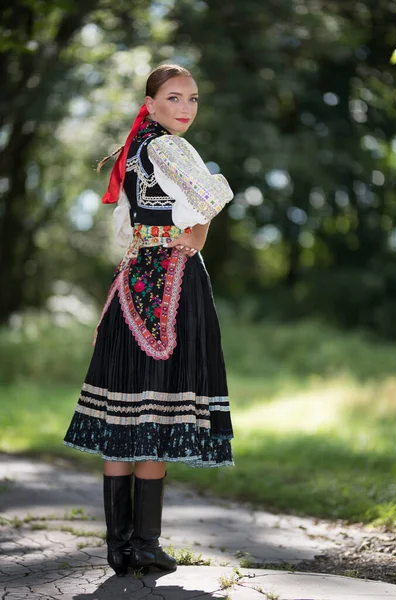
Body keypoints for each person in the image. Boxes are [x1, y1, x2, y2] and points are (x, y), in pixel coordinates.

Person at [63, 64, 234, 577]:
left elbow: (125, 229)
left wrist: (183, 227)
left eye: (194, 99)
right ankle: (145, 545)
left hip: (132, 277)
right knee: (155, 410)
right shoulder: (170, 148)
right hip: (173, 282)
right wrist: (198, 233)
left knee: (122, 410)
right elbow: (211, 195)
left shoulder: (134, 152)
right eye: (175, 98)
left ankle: (120, 547)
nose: (186, 108)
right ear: (152, 103)